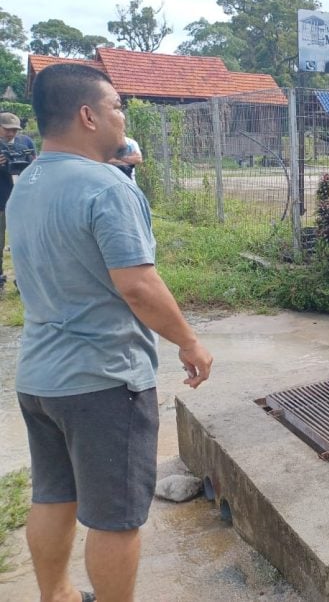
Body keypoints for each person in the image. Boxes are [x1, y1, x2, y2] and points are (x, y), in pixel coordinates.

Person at [7, 63, 213, 602]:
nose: (123, 116)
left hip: (40, 379)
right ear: (87, 115)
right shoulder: (106, 188)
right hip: (102, 380)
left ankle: (58, 595)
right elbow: (138, 287)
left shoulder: (25, 183)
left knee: (54, 496)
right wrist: (189, 342)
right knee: (116, 519)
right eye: (117, 106)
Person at [0, 112, 36, 287]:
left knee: (24, 242)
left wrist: (29, 162)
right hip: (1, 200)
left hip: (23, 200)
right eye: (7, 129)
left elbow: (36, 167)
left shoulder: (26, 143)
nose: (11, 134)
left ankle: (23, 280)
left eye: (15, 130)